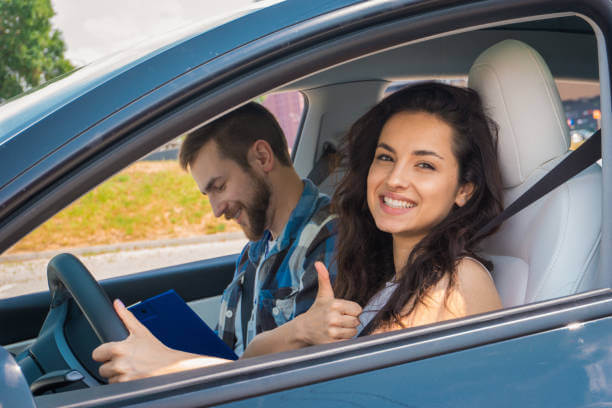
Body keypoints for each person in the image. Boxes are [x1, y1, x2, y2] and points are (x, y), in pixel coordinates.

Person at [92, 102, 342, 383]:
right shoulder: (253, 254)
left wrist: (167, 365)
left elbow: (300, 380)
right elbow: (228, 356)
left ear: (262, 158)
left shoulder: (330, 241)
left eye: (219, 187)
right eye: (208, 194)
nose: (216, 210)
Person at [310, 81, 504, 337]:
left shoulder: (456, 282)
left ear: (463, 190)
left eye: (424, 165)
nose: (394, 179)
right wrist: (302, 331)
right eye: (386, 157)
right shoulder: (385, 277)